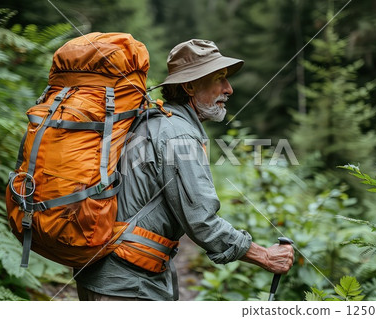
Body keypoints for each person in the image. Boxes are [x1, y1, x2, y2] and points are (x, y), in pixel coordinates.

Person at [75, 39, 294, 301]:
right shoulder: (177, 134)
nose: (229, 89)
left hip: (104, 274)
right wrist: (264, 255)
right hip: (126, 283)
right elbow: (202, 222)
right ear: (189, 86)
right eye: (220, 78)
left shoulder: (151, 120)